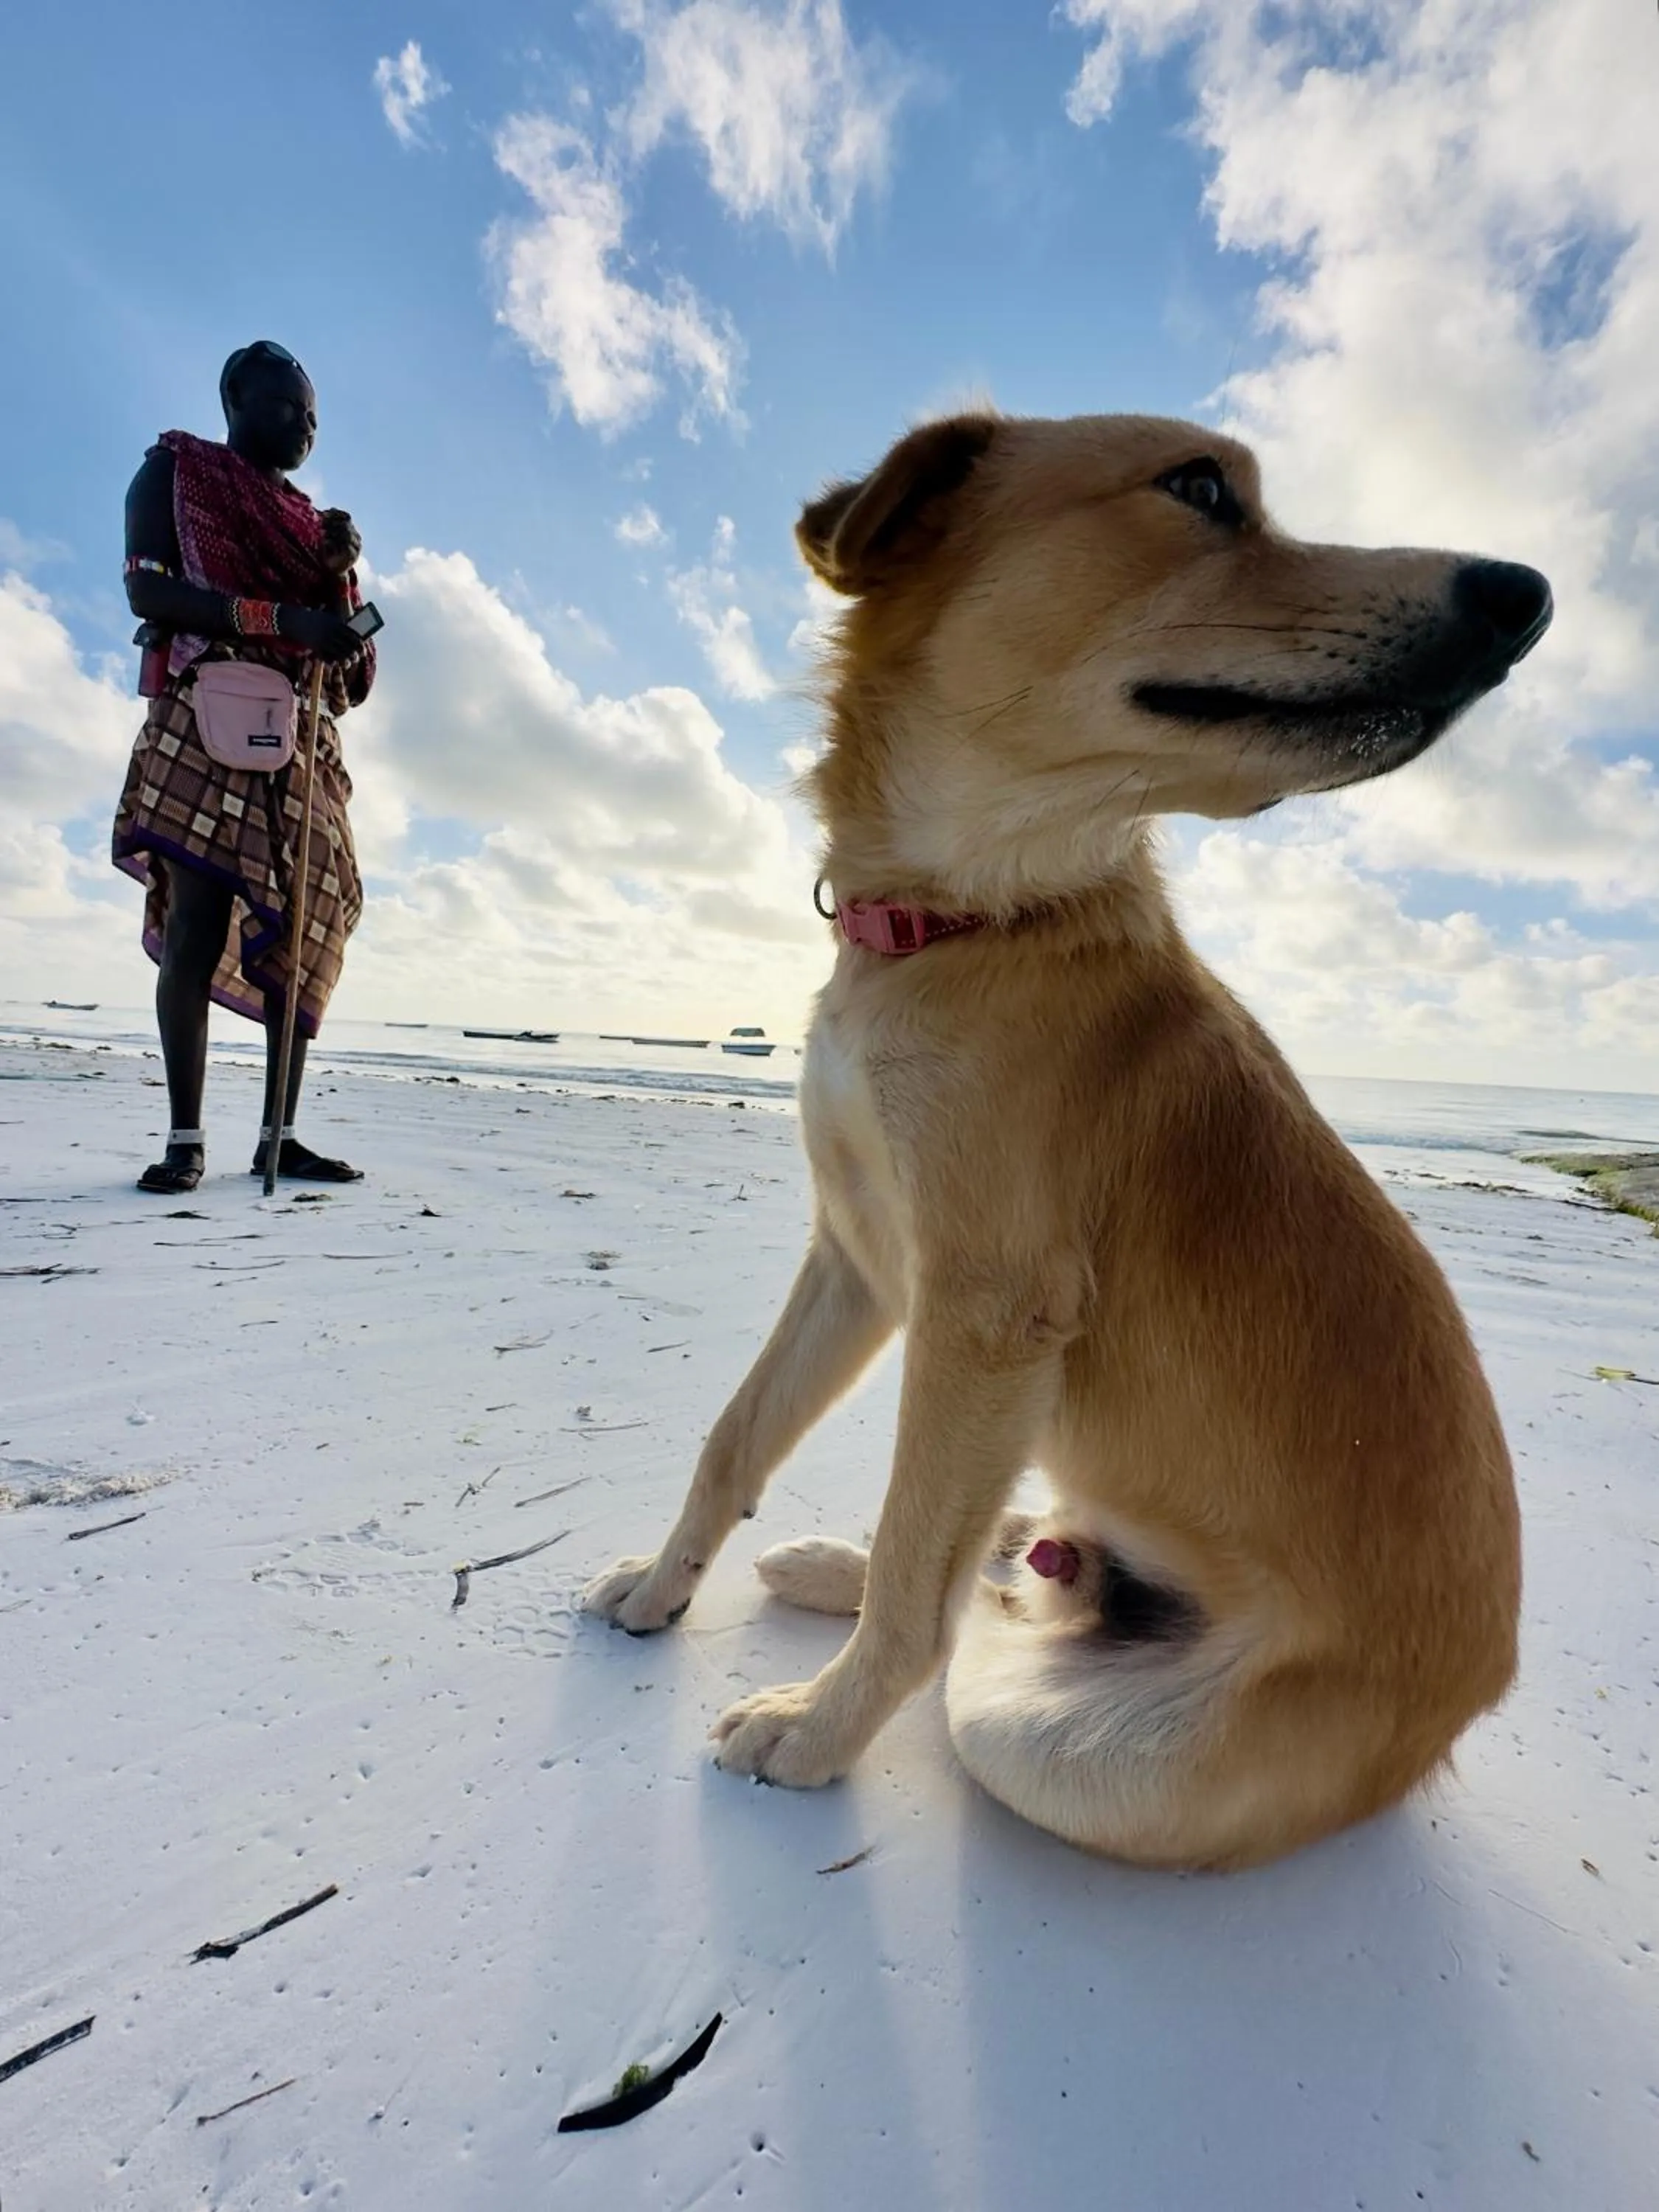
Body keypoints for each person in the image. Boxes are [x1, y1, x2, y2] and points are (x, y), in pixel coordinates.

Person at [113, 341, 375, 1194]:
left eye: (313, 416)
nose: (303, 425)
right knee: (198, 921)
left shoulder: (313, 526)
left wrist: (338, 582)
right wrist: (283, 619)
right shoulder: (177, 470)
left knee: (307, 926)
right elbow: (150, 593)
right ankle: (186, 1138)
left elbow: (356, 679)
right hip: (208, 713)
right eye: (285, 406)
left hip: (300, 740)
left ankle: (279, 1135)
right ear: (235, 397)